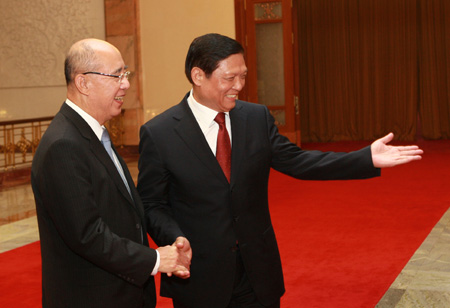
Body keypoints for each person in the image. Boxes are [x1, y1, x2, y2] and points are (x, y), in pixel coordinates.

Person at [137, 33, 423, 308]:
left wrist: (365, 158)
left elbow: (299, 162)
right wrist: (175, 238)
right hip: (199, 276)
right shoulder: (160, 133)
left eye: (244, 76)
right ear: (198, 76)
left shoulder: (255, 118)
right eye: (229, 78)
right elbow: (152, 204)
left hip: (258, 274)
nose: (239, 85)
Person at [31, 38, 191, 308]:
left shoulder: (93, 133)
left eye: (125, 74)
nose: (126, 84)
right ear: (83, 83)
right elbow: (87, 235)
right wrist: (154, 260)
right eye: (117, 75)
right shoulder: (64, 144)